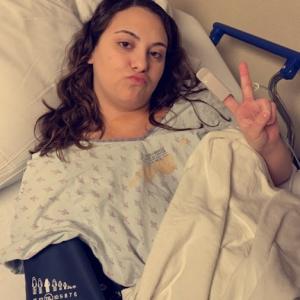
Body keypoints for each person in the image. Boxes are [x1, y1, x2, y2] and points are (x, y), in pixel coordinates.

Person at [0, 0, 293, 299]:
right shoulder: (58, 164)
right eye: (126, 44)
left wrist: (267, 146)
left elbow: (277, 183)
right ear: (90, 51)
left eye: (156, 53)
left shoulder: (199, 110)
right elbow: (54, 273)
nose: (142, 63)